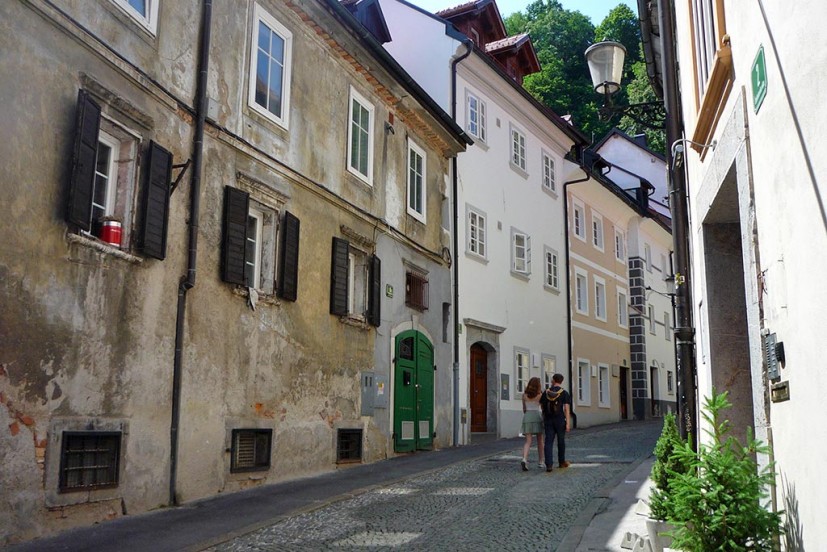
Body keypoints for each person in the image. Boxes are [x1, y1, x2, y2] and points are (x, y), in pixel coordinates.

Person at [540, 373, 571, 472]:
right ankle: (561, 462)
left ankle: (549, 464)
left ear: (553, 380)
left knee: (548, 441)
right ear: (561, 381)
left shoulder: (546, 392)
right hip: (560, 419)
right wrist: (568, 423)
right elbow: (566, 409)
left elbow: (541, 405)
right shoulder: (564, 393)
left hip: (548, 419)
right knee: (561, 441)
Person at [520, 376, 545, 471]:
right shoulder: (540, 395)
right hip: (537, 417)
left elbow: (524, 409)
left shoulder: (524, 395)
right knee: (540, 441)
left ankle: (524, 459)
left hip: (527, 417)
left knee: (528, 441)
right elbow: (542, 408)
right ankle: (541, 461)